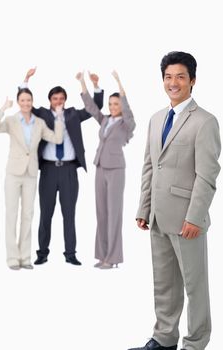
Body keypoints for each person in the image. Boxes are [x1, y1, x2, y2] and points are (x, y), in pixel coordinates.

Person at [129, 51, 221, 350]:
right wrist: (144, 208)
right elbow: (148, 166)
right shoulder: (156, 119)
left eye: (180, 76)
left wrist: (195, 217)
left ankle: (195, 343)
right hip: (157, 216)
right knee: (164, 284)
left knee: (195, 286)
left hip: (186, 219)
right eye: (168, 77)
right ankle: (164, 338)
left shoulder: (205, 122)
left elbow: (207, 174)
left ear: (192, 81)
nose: (173, 82)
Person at [21, 68, 104, 266]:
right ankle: (42, 253)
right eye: (55, 99)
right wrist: (26, 80)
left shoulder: (73, 114)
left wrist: (94, 85)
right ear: (50, 100)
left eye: (61, 99)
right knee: (46, 214)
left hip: (68, 171)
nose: (58, 102)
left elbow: (95, 108)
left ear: (65, 100)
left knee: (69, 214)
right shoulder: (41, 114)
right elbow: (25, 105)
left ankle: (70, 254)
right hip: (48, 170)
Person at [0, 88, 63, 270]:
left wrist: (60, 117)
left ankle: (25, 257)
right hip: (13, 173)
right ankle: (12, 258)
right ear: (18, 101)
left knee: (28, 215)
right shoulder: (12, 120)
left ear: (32, 102)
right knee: (12, 215)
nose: (26, 103)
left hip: (31, 173)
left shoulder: (39, 123)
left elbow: (57, 138)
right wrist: (3, 108)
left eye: (28, 100)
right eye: (22, 100)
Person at [77, 71, 136, 269]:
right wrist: (83, 83)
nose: (112, 107)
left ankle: (112, 259)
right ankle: (102, 256)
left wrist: (120, 83)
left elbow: (127, 111)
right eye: (111, 104)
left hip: (116, 170)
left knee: (114, 214)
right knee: (101, 213)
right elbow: (92, 108)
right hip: (100, 167)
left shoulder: (127, 124)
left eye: (116, 104)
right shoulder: (105, 120)